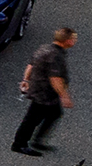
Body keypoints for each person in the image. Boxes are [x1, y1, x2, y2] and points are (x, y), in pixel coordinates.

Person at [14, 27, 76, 156]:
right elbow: (55, 79)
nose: (74, 41)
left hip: (39, 89)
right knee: (31, 119)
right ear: (67, 41)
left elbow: (31, 65)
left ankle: (37, 140)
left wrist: (26, 79)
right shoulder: (55, 56)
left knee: (54, 114)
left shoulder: (44, 49)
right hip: (45, 93)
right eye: (73, 39)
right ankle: (19, 144)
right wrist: (64, 96)